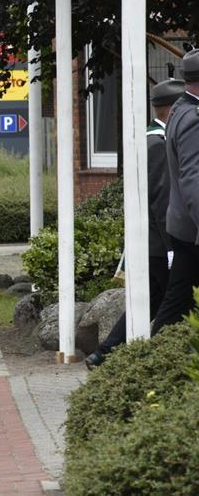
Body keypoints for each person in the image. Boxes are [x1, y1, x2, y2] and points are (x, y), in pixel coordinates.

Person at [86, 79, 183, 368]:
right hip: (159, 243)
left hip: (151, 241)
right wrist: (172, 247)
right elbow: (163, 200)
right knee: (175, 303)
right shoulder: (158, 143)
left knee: (152, 300)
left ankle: (104, 353)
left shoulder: (149, 139)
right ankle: (152, 359)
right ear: (173, 110)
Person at [151, 49, 199, 334]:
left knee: (177, 303)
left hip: (184, 228)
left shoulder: (181, 109)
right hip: (193, 231)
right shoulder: (194, 118)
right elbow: (194, 178)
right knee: (175, 305)